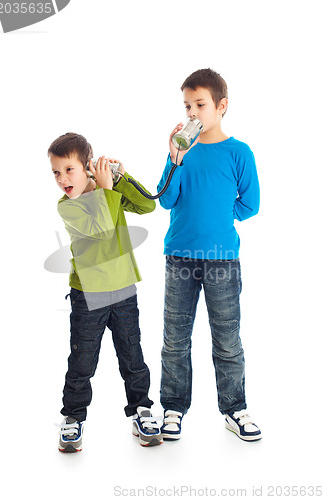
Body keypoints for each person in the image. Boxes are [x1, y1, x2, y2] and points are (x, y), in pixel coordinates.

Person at [157, 69, 262, 442]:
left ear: (221, 106)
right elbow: (166, 199)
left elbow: (250, 204)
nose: (192, 113)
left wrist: (220, 214)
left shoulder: (239, 153)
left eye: (200, 105)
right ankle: (172, 407)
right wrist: (174, 158)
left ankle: (234, 409)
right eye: (187, 106)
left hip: (222, 260)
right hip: (180, 258)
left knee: (227, 339)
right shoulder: (182, 153)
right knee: (175, 338)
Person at [48, 132, 162, 451]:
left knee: (132, 355)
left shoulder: (109, 190)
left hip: (123, 287)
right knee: (83, 361)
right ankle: (73, 417)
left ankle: (142, 409)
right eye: (56, 172)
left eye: (68, 169)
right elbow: (100, 230)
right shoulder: (67, 206)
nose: (62, 179)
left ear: (87, 166)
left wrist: (121, 179)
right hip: (89, 294)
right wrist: (108, 191)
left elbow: (146, 206)